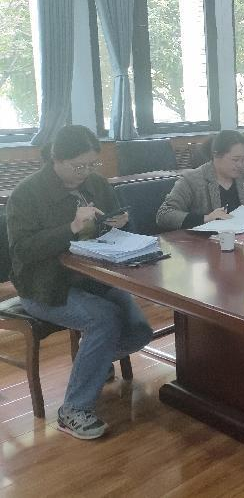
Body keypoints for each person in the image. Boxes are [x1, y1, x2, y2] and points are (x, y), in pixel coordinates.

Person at [6, 125, 153, 440]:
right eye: (78, 166)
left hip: (95, 277)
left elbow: (115, 230)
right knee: (105, 319)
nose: (85, 172)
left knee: (140, 330)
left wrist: (122, 223)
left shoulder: (96, 184)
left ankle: (94, 361)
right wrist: (71, 227)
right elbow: (23, 252)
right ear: (56, 159)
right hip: (45, 285)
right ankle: (73, 409)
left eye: (91, 164)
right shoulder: (27, 194)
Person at [157, 130, 244, 231]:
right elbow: (164, 214)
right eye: (235, 160)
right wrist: (207, 218)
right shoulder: (192, 180)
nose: (240, 165)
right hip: (204, 246)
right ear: (216, 155)